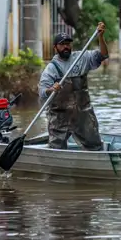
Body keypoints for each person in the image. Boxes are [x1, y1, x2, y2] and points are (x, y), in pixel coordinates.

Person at [38, 22, 109, 151]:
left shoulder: (81, 58)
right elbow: (42, 92)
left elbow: (103, 55)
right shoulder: (51, 69)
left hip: (83, 114)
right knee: (56, 149)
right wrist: (51, 89)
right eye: (62, 44)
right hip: (60, 117)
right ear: (55, 47)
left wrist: (100, 37)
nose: (66, 47)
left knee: (95, 147)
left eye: (68, 44)